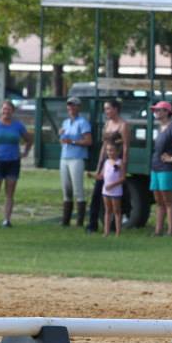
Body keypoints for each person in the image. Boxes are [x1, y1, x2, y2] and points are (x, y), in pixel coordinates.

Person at [86, 98, 130, 233]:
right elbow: (104, 145)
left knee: (117, 194)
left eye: (108, 108)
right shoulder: (107, 124)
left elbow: (126, 147)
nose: (106, 111)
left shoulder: (123, 125)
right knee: (98, 192)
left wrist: (123, 165)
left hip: (117, 162)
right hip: (106, 161)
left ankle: (116, 225)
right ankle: (92, 225)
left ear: (116, 109)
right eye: (105, 109)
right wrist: (99, 164)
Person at [0, 100, 32, 228]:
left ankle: (7, 220)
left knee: (10, 192)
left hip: (13, 161)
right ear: (1, 110)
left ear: (13, 111)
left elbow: (29, 139)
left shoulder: (18, 126)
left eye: (9, 109)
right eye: (4, 109)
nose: (6, 111)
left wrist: (25, 152)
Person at [149, 100, 172, 237]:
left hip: (168, 169)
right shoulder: (160, 127)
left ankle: (171, 231)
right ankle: (158, 231)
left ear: (167, 112)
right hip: (156, 168)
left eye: (159, 110)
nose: (156, 112)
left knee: (169, 201)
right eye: (155, 110)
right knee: (159, 201)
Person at [59, 96, 92, 227]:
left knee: (78, 189)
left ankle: (79, 221)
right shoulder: (66, 122)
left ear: (78, 107)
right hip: (65, 157)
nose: (71, 108)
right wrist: (61, 136)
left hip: (76, 158)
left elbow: (88, 141)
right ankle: (65, 220)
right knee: (66, 189)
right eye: (69, 105)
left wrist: (72, 141)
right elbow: (63, 140)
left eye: (73, 105)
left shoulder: (82, 122)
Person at [101, 140, 124, 237]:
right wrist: (92, 175)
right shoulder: (106, 162)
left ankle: (118, 233)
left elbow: (122, 178)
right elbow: (102, 176)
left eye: (111, 150)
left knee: (116, 211)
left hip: (115, 191)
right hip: (106, 191)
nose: (109, 152)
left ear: (117, 151)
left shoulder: (120, 163)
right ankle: (106, 232)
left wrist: (112, 185)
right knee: (107, 210)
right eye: (107, 150)